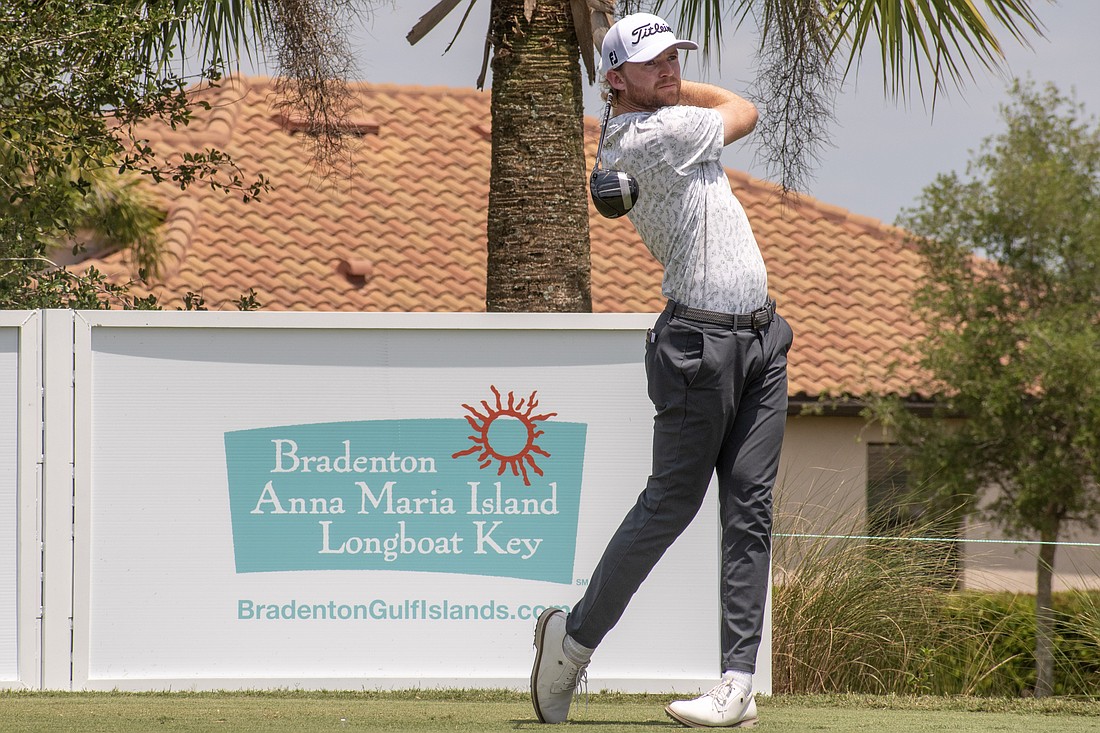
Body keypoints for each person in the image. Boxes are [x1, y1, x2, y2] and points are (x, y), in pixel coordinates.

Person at [529, 12, 794, 728]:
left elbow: (710, 106)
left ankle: (737, 684)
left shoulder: (661, 114)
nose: (672, 70)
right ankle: (573, 641)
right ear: (614, 79)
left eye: (677, 57)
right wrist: (668, 96)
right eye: (653, 63)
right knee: (669, 507)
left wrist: (661, 85)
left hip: (763, 340)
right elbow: (745, 109)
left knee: (750, 513)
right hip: (698, 346)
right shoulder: (651, 135)